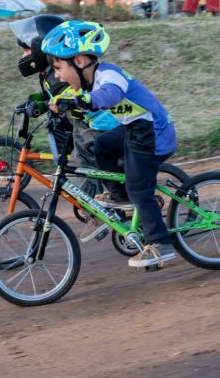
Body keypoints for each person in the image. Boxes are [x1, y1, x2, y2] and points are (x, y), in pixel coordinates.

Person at [41, 20, 178, 269]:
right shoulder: (86, 82)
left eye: (59, 67)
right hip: (135, 128)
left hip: (153, 132)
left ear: (79, 61)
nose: (57, 75)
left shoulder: (109, 74)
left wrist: (80, 100)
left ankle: (161, 244)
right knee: (103, 144)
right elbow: (67, 96)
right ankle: (118, 194)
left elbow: (109, 96)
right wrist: (45, 103)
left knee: (140, 189)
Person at [10, 15, 128, 243]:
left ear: (38, 48)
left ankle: (101, 213)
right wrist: (35, 100)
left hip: (99, 125)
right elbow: (50, 94)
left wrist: (46, 105)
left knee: (79, 166)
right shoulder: (48, 74)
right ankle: (105, 201)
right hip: (84, 124)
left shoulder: (57, 75)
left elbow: (65, 93)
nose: (23, 57)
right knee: (76, 163)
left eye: (25, 51)